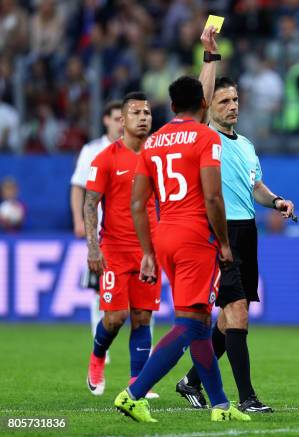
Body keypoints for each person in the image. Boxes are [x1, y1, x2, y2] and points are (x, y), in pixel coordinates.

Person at [116, 75, 250, 423]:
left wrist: (147, 251)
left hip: (164, 237)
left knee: (201, 324)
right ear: (204, 105)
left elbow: (136, 204)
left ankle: (220, 406)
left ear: (172, 106)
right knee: (190, 325)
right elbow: (212, 195)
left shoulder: (153, 142)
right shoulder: (206, 137)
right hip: (195, 239)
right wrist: (223, 242)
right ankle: (133, 393)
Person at [176, 69, 295, 413]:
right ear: (207, 106)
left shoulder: (245, 145)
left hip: (246, 233)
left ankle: (191, 381)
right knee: (238, 314)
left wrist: (276, 201)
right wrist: (209, 55)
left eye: (235, 100)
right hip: (218, 232)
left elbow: (256, 187)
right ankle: (247, 398)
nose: (232, 106)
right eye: (224, 100)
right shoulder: (203, 137)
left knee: (228, 321)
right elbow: (200, 93)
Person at [84, 92, 161, 398]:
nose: (143, 117)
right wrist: (93, 247)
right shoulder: (105, 159)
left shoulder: (156, 156)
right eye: (136, 113)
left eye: (147, 112)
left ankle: (137, 383)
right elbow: (91, 204)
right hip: (114, 249)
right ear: (122, 120)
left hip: (149, 251)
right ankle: (97, 357)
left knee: (143, 316)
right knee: (116, 317)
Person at [70, 100, 123, 364]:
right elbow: (78, 187)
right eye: (115, 118)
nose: (119, 122)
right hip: (99, 233)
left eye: (122, 118)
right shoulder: (92, 150)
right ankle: (100, 347)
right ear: (106, 120)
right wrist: (79, 220)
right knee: (97, 290)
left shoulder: (135, 149)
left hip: (127, 234)